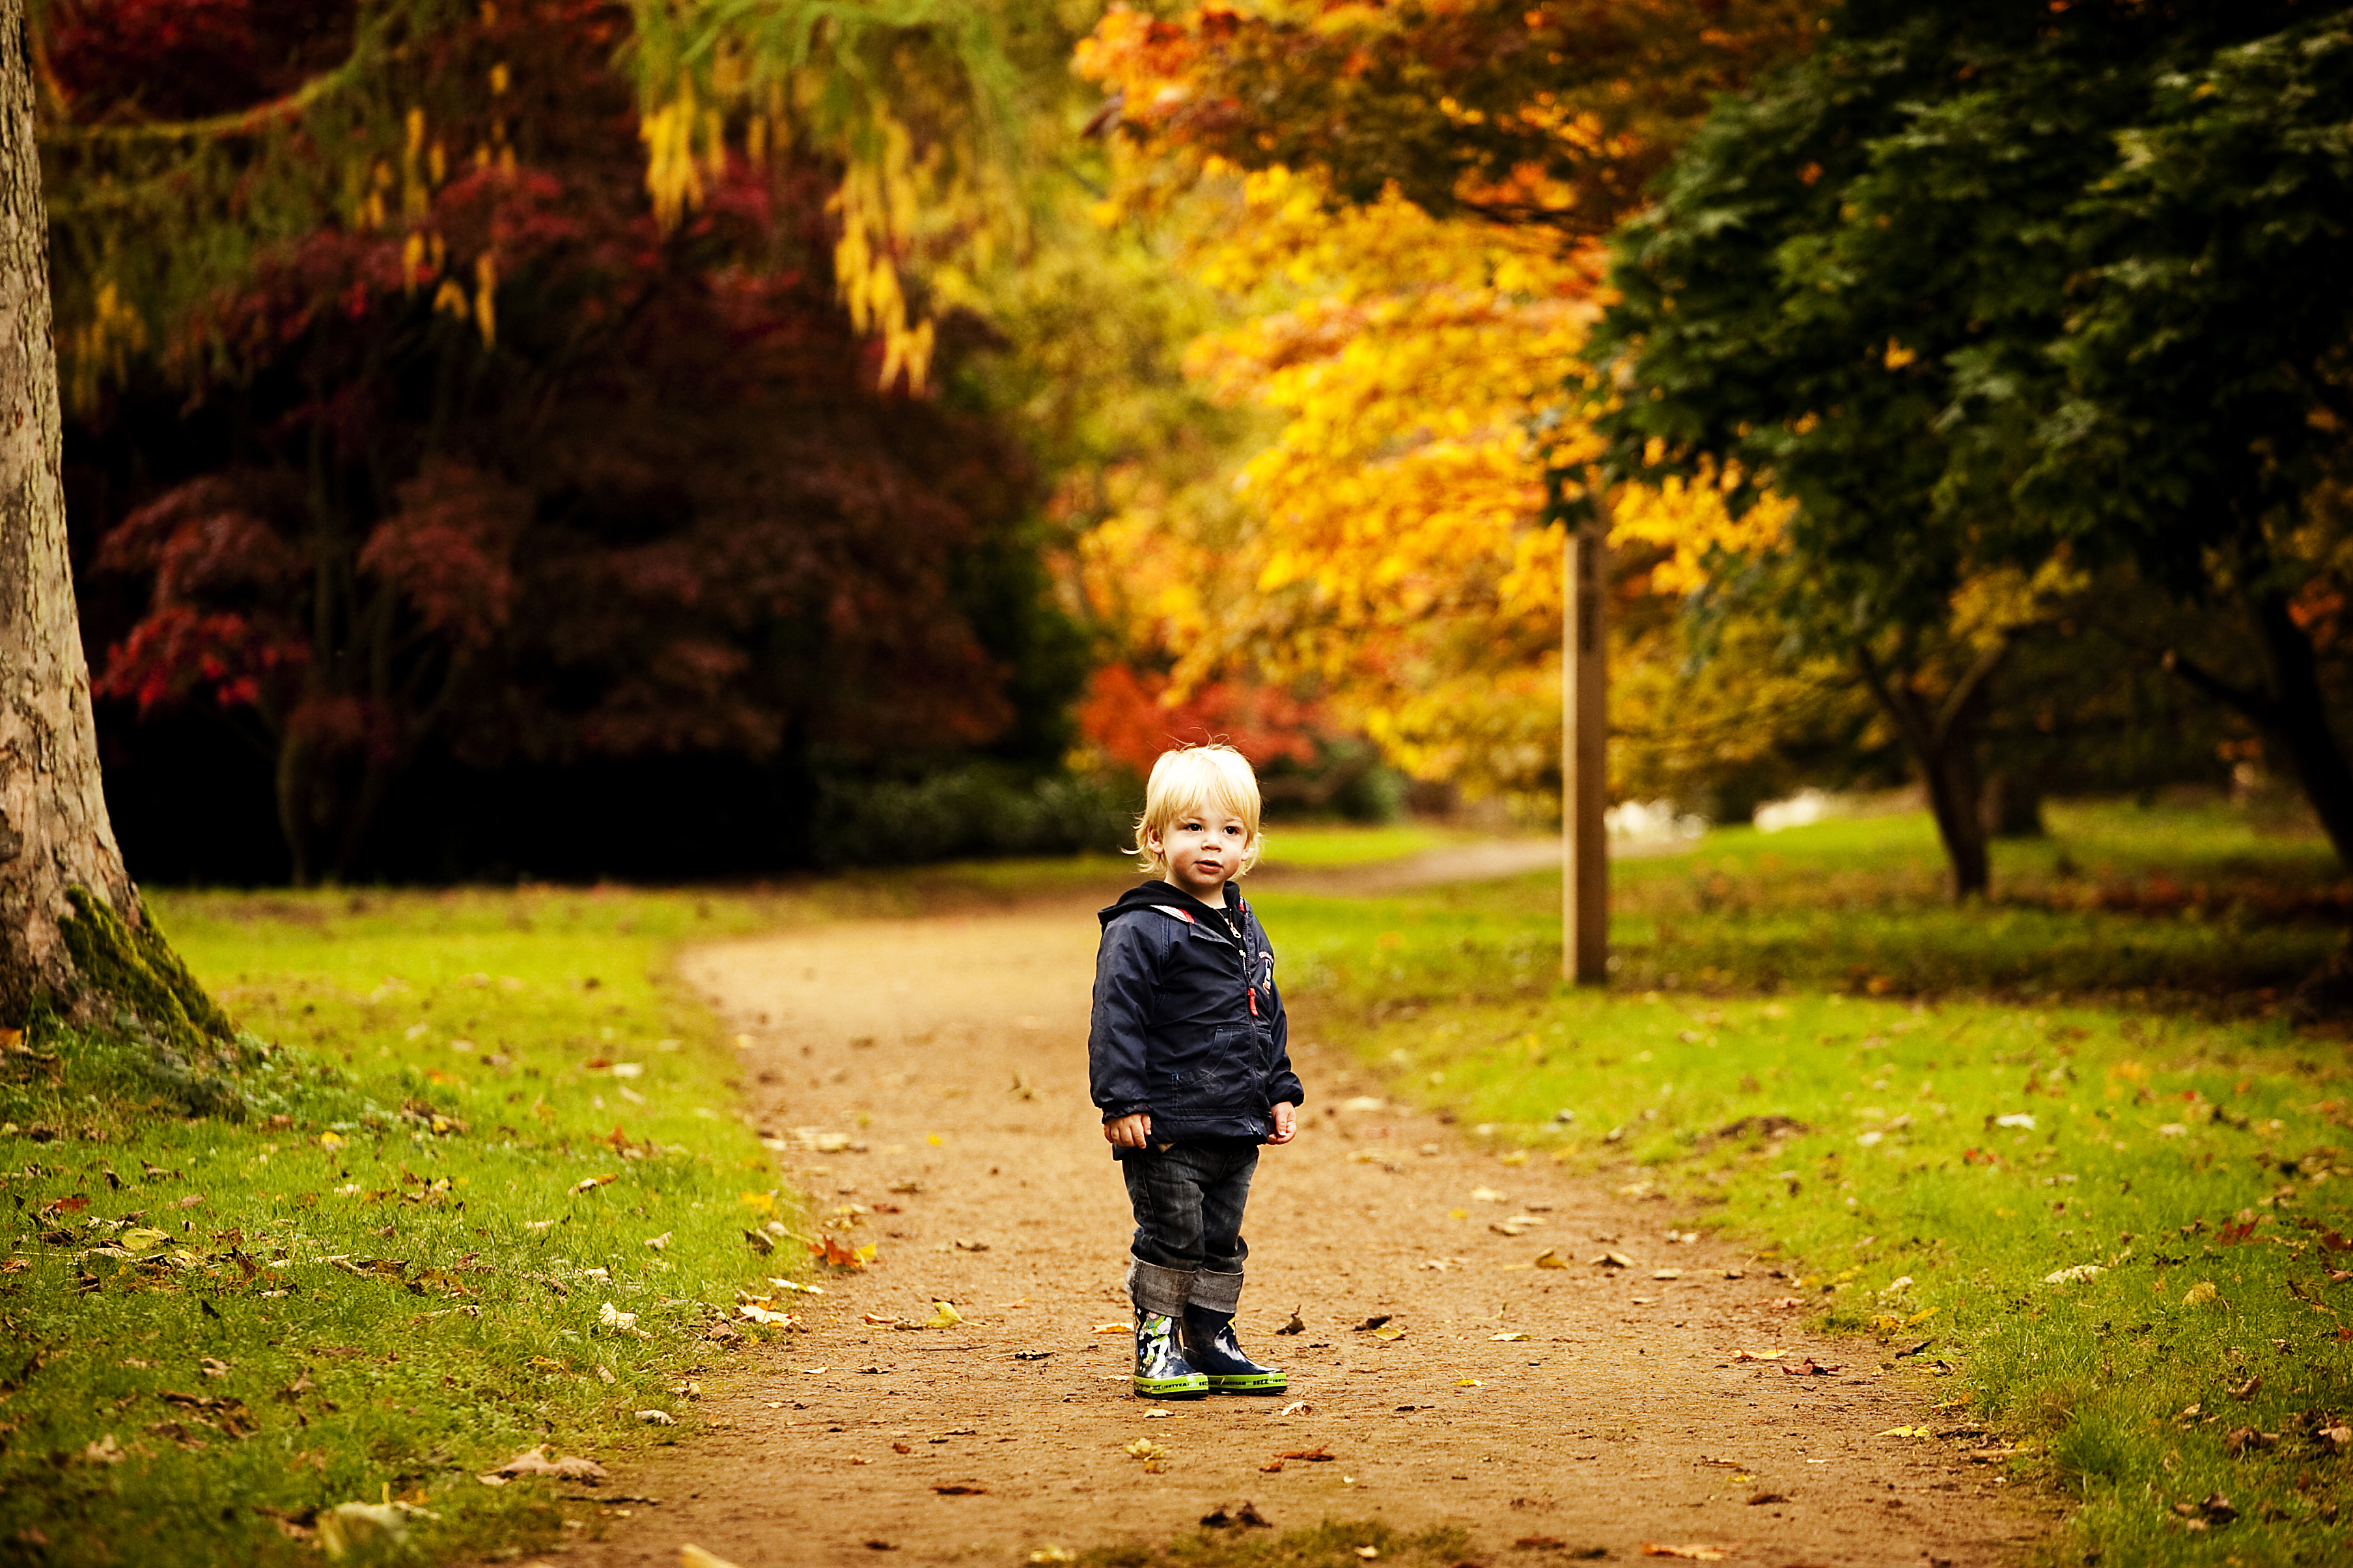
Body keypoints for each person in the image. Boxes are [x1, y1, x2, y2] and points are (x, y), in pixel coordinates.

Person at [1089, 743, 1303, 1399]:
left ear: (1249, 845)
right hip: (1169, 1122)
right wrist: (1120, 1101)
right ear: (1154, 838)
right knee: (1173, 1233)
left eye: (1228, 830)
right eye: (1192, 827)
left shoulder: (1243, 925)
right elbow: (1115, 1016)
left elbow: (1263, 1010)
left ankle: (1212, 1339)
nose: (1211, 844)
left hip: (1235, 1119)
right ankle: (1157, 1344)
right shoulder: (1142, 927)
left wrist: (1279, 1088)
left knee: (1219, 1236)